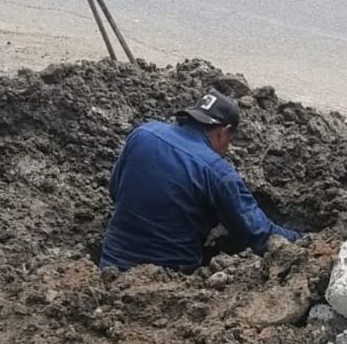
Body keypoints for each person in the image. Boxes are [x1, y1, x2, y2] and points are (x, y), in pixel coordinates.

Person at [99, 89, 302, 272]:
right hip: (166, 279)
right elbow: (258, 233)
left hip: (111, 266)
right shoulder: (217, 172)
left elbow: (115, 190)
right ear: (223, 132)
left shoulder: (143, 133)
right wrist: (306, 240)